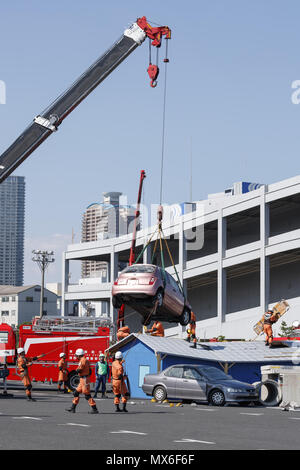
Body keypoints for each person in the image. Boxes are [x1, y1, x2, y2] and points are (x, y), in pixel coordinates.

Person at [66, 348, 99, 414]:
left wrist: (77, 370)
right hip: (83, 379)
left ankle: (94, 409)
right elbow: (90, 370)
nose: (76, 357)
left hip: (84, 379)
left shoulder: (82, 360)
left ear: (79, 355)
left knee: (87, 395)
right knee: (76, 392)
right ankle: (73, 408)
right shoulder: (86, 360)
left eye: (76, 355)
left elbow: (80, 369)